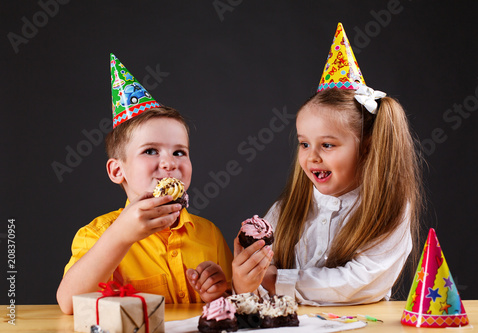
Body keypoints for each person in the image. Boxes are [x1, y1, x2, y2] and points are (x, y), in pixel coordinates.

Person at [232, 23, 423, 305]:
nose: (312, 157)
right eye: (304, 144)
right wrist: (246, 278)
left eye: (328, 145)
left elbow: (360, 283)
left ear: (368, 148)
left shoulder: (388, 208)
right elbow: (259, 288)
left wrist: (275, 281)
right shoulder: (288, 209)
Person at [57, 55, 233, 314]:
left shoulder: (209, 235)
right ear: (118, 170)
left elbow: (232, 303)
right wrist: (120, 236)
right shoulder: (96, 235)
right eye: (151, 151)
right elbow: (69, 303)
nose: (169, 163)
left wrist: (218, 291)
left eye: (179, 152)